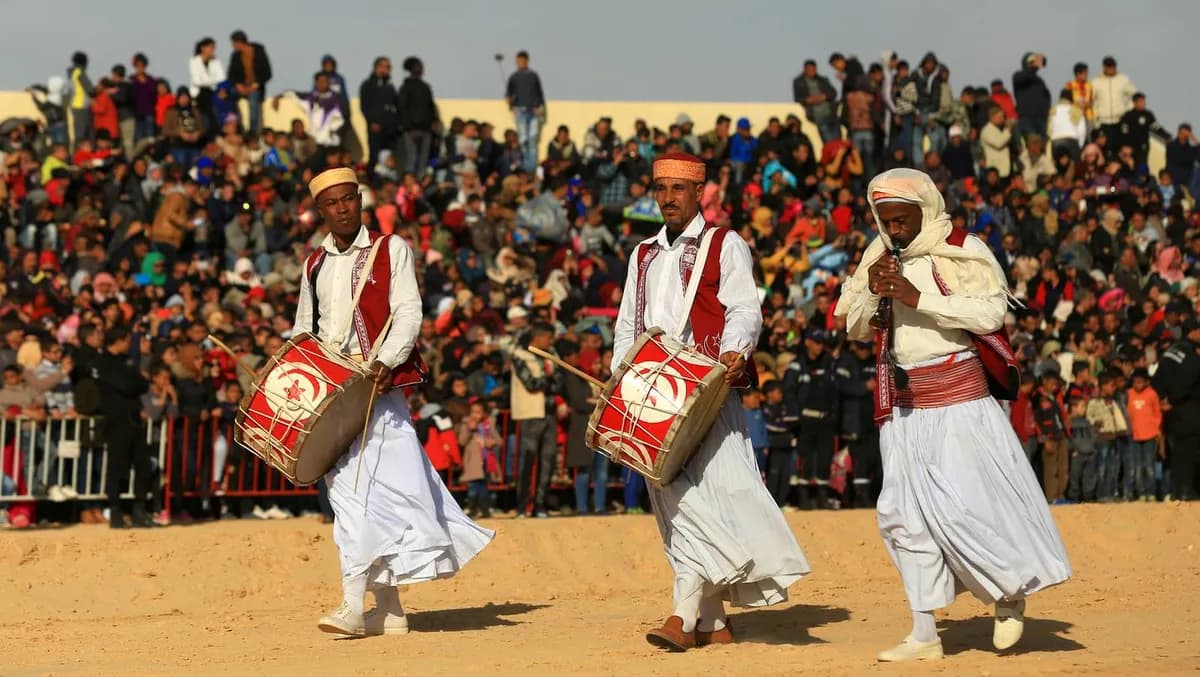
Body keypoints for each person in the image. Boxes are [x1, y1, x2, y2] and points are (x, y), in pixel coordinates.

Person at [834, 168, 1070, 661]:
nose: (895, 231)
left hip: (959, 401)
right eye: (887, 221)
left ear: (926, 210)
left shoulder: (963, 248)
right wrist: (875, 292)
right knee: (900, 517)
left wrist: (917, 298)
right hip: (901, 407)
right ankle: (924, 634)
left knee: (967, 509)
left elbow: (990, 315)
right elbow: (854, 326)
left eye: (903, 220)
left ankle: (1007, 595)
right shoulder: (877, 256)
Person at [612, 152, 810, 651]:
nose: (668, 198)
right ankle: (714, 622)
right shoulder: (643, 254)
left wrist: (732, 354)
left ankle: (682, 618)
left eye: (678, 188)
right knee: (678, 507)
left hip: (707, 390)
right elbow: (626, 325)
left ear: (700, 192)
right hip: (653, 397)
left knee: (705, 503)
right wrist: (622, 378)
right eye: (660, 188)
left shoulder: (726, 243)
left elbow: (745, 308)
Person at [295, 167, 493, 637]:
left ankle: (353, 606)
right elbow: (305, 327)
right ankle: (389, 610)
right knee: (351, 497)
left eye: (349, 199)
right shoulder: (314, 264)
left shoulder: (391, 249)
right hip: (330, 397)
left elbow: (409, 310)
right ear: (320, 211)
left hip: (377, 394)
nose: (343, 208)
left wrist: (387, 360)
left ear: (359, 200)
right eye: (333, 203)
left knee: (366, 496)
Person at [94, 325, 155, 529]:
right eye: (127, 340)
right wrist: (137, 382)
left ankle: (139, 510)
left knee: (143, 465)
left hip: (134, 419)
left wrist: (137, 382)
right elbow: (131, 385)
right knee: (117, 468)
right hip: (117, 421)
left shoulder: (126, 361)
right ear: (118, 340)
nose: (130, 345)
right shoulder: (104, 362)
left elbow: (142, 384)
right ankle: (116, 511)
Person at [509, 323, 563, 518]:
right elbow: (531, 384)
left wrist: (550, 378)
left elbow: (558, 383)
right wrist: (548, 376)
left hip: (549, 412)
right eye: (548, 338)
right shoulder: (520, 355)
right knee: (528, 459)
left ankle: (540, 503)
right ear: (538, 338)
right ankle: (523, 504)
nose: (550, 342)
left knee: (547, 460)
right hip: (530, 413)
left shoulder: (552, 355)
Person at [1152, 318, 1200, 501]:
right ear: (1193, 332)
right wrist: (1174, 399)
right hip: (1189, 411)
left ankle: (1176, 492)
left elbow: (1157, 380)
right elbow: (1189, 381)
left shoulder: (1170, 352)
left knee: (1177, 454)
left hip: (1171, 413)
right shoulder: (1192, 356)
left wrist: (1163, 399)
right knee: (1188, 453)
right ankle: (1186, 491)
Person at [505, 51, 545, 173]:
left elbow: (539, 94)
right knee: (522, 138)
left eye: (522, 61)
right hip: (520, 110)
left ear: (527, 61)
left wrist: (540, 109)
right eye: (518, 61)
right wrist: (510, 103)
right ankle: (524, 165)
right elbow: (508, 94)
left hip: (533, 110)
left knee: (533, 138)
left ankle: (531, 166)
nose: (520, 63)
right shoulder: (514, 77)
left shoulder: (533, 76)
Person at [397, 57, 437, 176]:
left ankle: (419, 188)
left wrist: (433, 123)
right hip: (411, 131)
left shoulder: (425, 87)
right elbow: (402, 109)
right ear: (411, 68)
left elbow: (430, 107)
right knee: (411, 159)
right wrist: (409, 129)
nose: (420, 68)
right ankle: (410, 187)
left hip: (426, 130)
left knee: (423, 162)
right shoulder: (405, 87)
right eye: (417, 66)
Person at [227, 30, 272, 135]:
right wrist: (238, 86)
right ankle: (236, 124)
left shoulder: (259, 52)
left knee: (253, 103)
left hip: (255, 87)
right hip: (241, 86)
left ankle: (253, 132)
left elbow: (267, 73)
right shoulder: (235, 55)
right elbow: (231, 75)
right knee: (228, 95)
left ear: (239, 42)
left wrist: (256, 85)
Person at [359, 57, 399, 172]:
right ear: (377, 67)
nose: (388, 69)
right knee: (375, 157)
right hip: (375, 129)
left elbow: (395, 106)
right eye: (385, 66)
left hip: (390, 129)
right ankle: (373, 182)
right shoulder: (367, 85)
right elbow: (364, 106)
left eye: (389, 67)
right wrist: (372, 122)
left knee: (390, 158)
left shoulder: (390, 87)